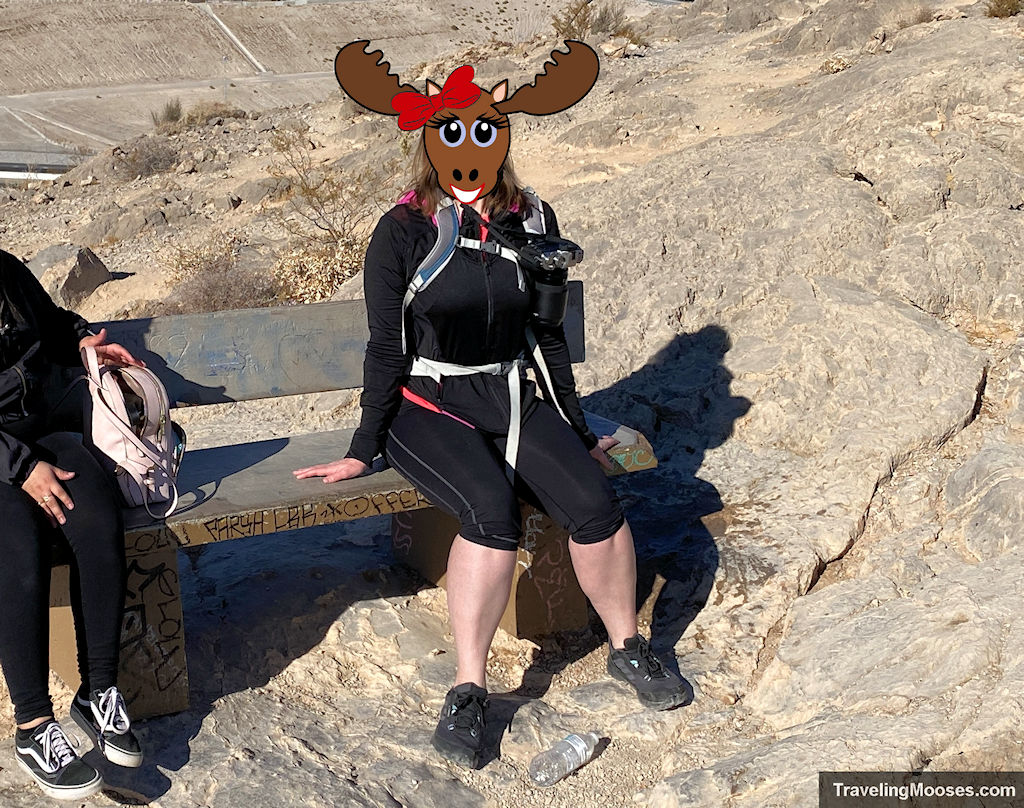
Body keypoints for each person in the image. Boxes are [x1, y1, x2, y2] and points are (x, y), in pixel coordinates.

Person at [293, 125, 689, 766]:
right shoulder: (404, 231)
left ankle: (627, 647)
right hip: (426, 405)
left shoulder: (530, 218)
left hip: (511, 394)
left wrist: (582, 433)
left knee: (595, 504)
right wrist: (363, 448)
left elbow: (547, 339)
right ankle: (469, 689)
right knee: (490, 512)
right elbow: (386, 347)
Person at [0, 249, 144, 800]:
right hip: (5, 462)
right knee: (18, 546)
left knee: (98, 514)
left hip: (38, 435)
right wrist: (20, 468)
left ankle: (98, 690)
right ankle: (34, 725)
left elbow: (49, 323)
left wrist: (82, 339)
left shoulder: (6, 270)